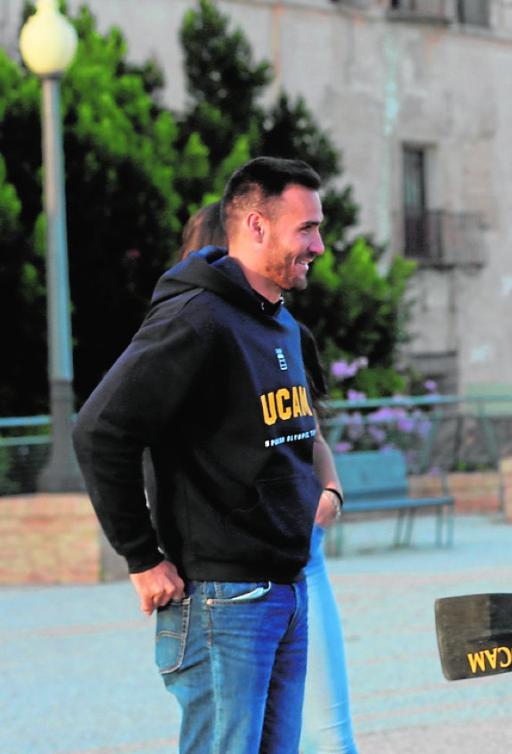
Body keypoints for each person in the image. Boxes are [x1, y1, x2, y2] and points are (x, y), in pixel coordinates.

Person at [74, 157, 328, 753]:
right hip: (222, 602)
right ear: (257, 226)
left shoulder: (279, 322)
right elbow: (100, 431)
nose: (319, 244)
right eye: (306, 229)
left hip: (285, 590)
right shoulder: (197, 320)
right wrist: (142, 557)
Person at [179, 201, 359, 754]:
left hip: (303, 556)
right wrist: (146, 558)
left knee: (330, 738)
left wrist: (330, 489)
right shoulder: (189, 335)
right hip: (228, 571)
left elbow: (312, 433)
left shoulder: (285, 333)